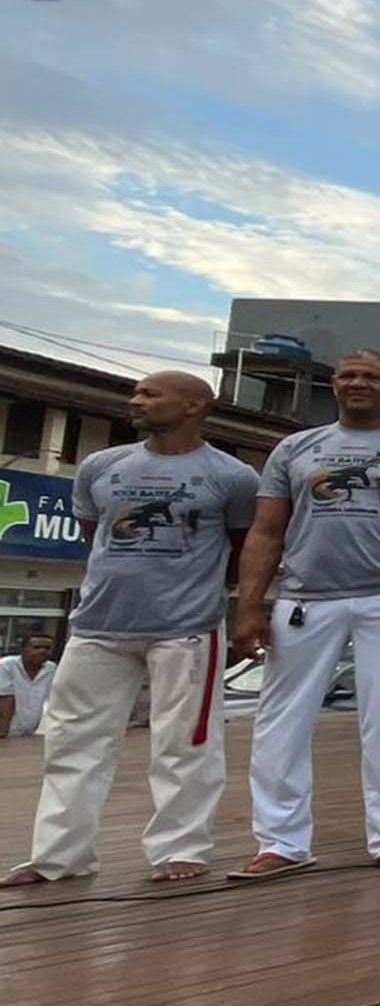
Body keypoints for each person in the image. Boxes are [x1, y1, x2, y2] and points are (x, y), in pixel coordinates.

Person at [5, 372, 257, 887]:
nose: (136, 401)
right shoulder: (101, 466)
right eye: (136, 392)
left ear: (194, 405)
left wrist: (211, 592)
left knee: (185, 744)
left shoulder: (233, 477)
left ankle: (180, 850)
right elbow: (95, 536)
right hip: (98, 625)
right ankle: (58, 856)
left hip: (186, 627)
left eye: (150, 394)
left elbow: (244, 549)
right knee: (72, 741)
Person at [229, 350, 380, 879]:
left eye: (371, 376)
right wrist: (249, 606)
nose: (358, 383)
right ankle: (282, 841)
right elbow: (265, 531)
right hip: (306, 598)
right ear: (333, 385)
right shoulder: (295, 448)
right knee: (282, 719)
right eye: (348, 375)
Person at [0, 634, 56, 739]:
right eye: (36, 647)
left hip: (32, 732)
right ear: (23, 649)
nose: (43, 651)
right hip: (5, 730)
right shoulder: (6, 665)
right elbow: (6, 699)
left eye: (47, 648)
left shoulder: (51, 669)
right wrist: (3, 733)